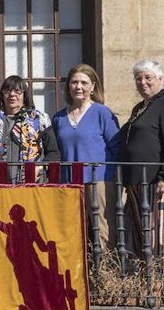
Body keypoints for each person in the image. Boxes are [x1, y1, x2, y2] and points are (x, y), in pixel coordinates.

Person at [51, 64, 121, 252]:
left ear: (93, 86)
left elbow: (117, 147)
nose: (78, 87)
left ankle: (105, 276)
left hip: (99, 181)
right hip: (69, 182)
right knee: (71, 231)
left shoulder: (102, 113)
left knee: (103, 231)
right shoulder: (58, 118)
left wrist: (111, 177)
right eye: (74, 82)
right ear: (68, 87)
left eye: (84, 82)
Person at [118, 59, 164, 258]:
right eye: (138, 79)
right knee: (139, 234)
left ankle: (157, 281)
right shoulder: (139, 108)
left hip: (153, 180)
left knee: (153, 231)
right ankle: (145, 280)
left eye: (148, 77)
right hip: (135, 181)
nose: (143, 82)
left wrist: (163, 177)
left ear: (160, 79)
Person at [0, 75, 60, 183]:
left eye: (18, 91)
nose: (12, 94)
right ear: (2, 94)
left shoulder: (39, 120)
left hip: (31, 185)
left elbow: (53, 153)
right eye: (7, 91)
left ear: (24, 95)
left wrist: (39, 168)